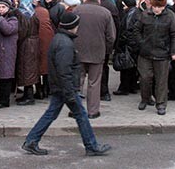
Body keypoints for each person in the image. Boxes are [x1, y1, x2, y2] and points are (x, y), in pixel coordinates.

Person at [22, 12, 111, 156]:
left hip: (60, 86)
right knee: (81, 115)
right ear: (73, 26)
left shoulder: (60, 39)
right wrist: (70, 92)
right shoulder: (65, 44)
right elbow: (64, 71)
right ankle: (91, 146)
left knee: (51, 114)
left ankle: (32, 141)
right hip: (65, 88)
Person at [130, 0, 175, 115]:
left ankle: (161, 104)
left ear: (164, 6)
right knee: (145, 78)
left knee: (161, 80)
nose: (157, 9)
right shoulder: (145, 15)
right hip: (145, 53)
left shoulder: (170, 16)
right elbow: (136, 30)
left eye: (160, 7)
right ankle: (145, 98)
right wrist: (141, 43)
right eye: (155, 7)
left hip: (162, 53)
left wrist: (174, 51)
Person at [73, 0, 116, 118]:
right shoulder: (105, 13)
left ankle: (76, 110)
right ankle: (92, 111)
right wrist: (106, 49)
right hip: (97, 52)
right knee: (94, 82)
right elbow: (111, 36)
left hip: (78, 51)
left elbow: (69, 30)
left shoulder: (77, 10)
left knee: (77, 82)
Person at [94, 0, 120, 102]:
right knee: (103, 67)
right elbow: (116, 25)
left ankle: (94, 91)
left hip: (92, 42)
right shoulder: (110, 5)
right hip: (105, 42)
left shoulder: (86, 6)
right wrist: (113, 43)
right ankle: (104, 92)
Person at [0, 0, 19, 108]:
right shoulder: (1, 17)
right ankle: (0, 98)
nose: (0, 9)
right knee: (0, 76)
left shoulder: (13, 19)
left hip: (7, 51)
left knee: (6, 76)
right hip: (0, 50)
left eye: (3, 7)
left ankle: (4, 100)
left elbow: (7, 30)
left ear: (8, 8)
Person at [15, 0, 40, 106]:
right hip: (34, 43)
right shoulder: (33, 13)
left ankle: (29, 96)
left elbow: (22, 31)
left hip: (26, 44)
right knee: (30, 69)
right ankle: (27, 94)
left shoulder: (21, 13)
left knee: (26, 69)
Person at [113, 0, 139, 96]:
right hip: (132, 45)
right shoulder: (136, 12)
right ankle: (132, 86)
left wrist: (121, 43)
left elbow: (127, 31)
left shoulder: (129, 15)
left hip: (127, 45)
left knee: (125, 67)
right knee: (132, 67)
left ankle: (124, 87)